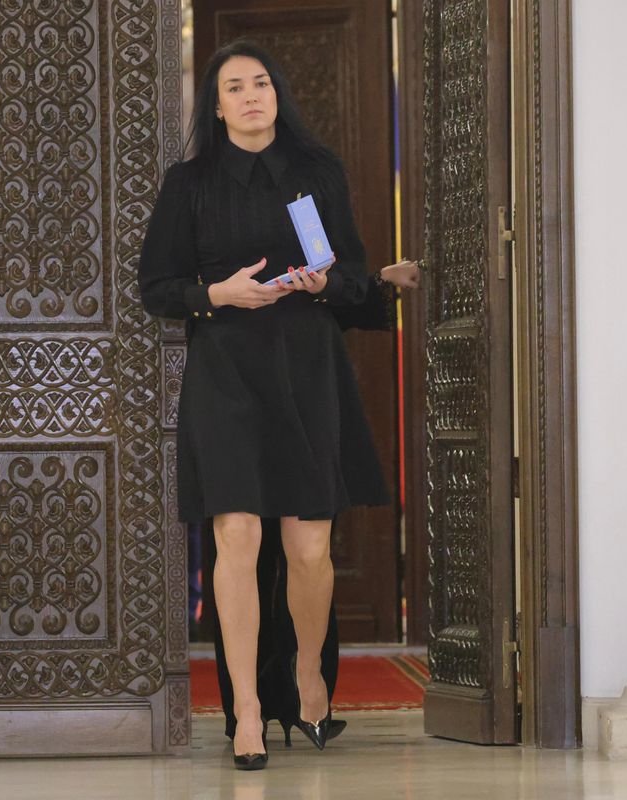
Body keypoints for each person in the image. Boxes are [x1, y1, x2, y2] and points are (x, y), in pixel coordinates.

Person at [138, 39, 391, 770]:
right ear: (216, 106)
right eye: (235, 87)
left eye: (261, 83)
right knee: (237, 537)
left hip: (307, 367)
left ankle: (308, 674)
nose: (251, 96)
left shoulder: (318, 173)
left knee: (309, 548)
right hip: (225, 372)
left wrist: (325, 284)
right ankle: (246, 708)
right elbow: (156, 288)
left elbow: (352, 278)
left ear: (277, 94)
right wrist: (217, 294)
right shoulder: (189, 183)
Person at [207, 259, 420, 747]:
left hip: (306, 391)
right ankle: (248, 710)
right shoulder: (213, 229)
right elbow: (171, 292)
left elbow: (341, 301)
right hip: (230, 390)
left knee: (307, 557)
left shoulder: (318, 215)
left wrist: (371, 282)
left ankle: (303, 689)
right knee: (241, 553)